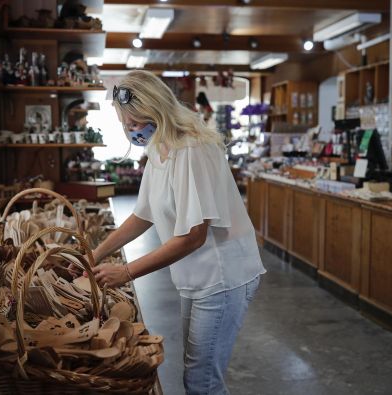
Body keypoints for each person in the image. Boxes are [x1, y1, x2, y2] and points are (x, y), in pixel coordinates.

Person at [91, 70, 265, 395]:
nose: (131, 130)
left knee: (202, 381)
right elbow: (142, 215)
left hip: (222, 276)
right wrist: (94, 254)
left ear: (155, 109)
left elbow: (193, 236)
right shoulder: (159, 149)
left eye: (134, 122)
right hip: (196, 276)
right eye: (125, 124)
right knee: (197, 374)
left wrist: (126, 272)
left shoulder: (191, 151)